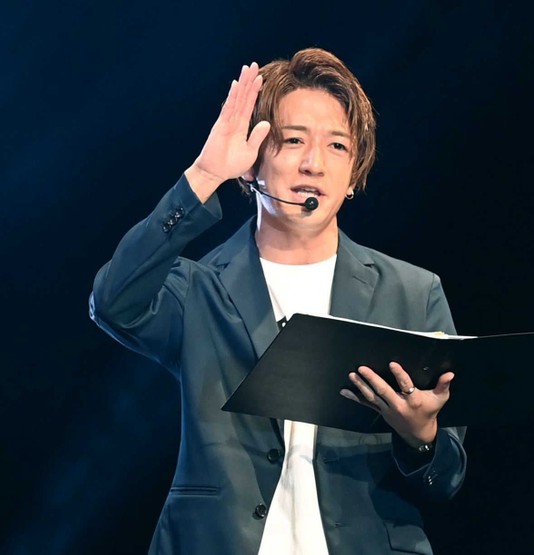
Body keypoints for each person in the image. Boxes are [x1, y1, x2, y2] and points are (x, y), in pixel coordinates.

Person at [90, 47, 467, 555]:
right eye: (293, 141)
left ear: (354, 174)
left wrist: (421, 437)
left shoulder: (413, 293)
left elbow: (446, 480)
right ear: (252, 165)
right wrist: (204, 174)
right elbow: (113, 301)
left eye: (337, 146)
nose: (314, 164)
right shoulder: (199, 288)